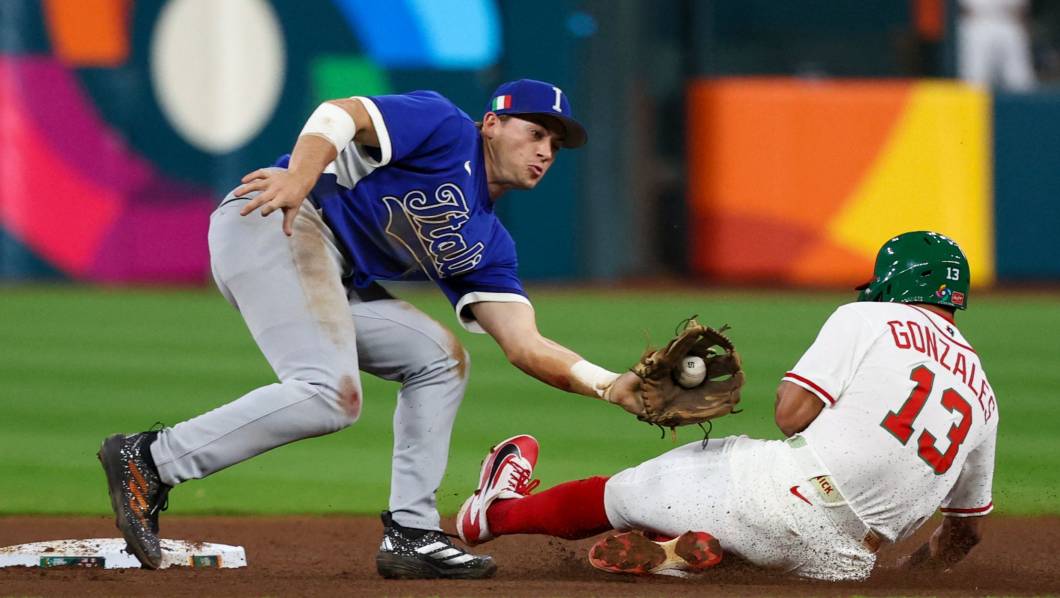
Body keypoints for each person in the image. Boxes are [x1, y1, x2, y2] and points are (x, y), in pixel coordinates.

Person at [97, 79, 646, 578]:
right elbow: (340, 113)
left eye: (556, 143)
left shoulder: (489, 242)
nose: (546, 150)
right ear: (492, 124)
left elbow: (525, 344)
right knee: (328, 395)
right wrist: (300, 175)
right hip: (278, 219)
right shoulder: (445, 128)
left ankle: (412, 533)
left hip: (332, 273)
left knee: (440, 360)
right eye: (535, 132)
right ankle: (151, 459)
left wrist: (611, 385)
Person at [457, 231, 997, 581]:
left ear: (892, 282)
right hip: (844, 563)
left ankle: (492, 514)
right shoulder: (985, 399)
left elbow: (791, 415)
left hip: (779, 495)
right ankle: (678, 555)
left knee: (617, 494)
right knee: (751, 541)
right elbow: (964, 534)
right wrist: (905, 577)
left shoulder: (869, 318)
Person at [958, 0, 1037, 91]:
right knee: (974, 78)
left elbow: (1022, 9)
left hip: (1009, 22)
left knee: (1019, 79)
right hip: (976, 23)